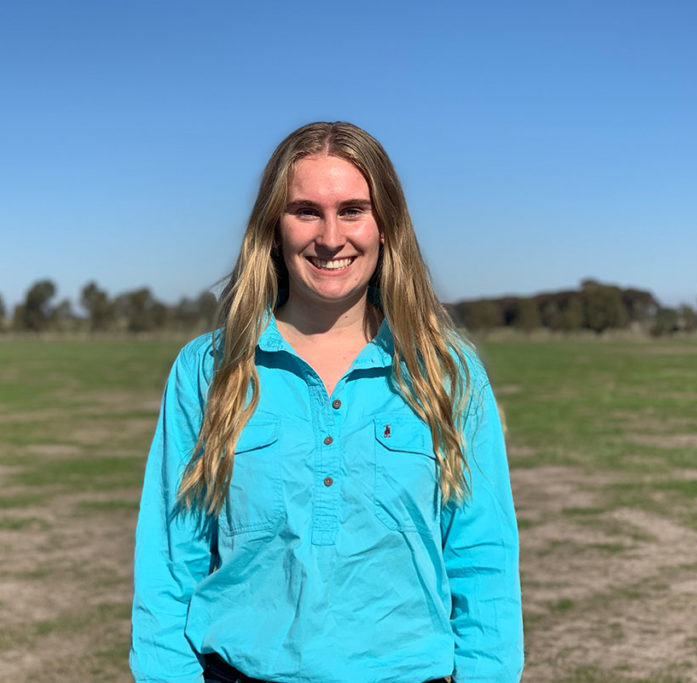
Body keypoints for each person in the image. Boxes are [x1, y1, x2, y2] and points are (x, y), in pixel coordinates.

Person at [130, 122, 522, 683]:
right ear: (273, 227)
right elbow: (169, 564)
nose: (331, 237)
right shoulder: (209, 370)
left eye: (353, 210)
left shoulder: (448, 372)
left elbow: (483, 561)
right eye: (306, 210)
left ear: (386, 227)